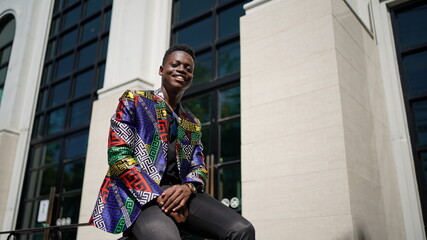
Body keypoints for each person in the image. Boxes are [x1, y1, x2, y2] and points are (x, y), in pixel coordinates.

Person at [89, 44, 255, 239]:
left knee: (242, 230)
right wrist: (159, 197)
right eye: (175, 64)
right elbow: (119, 157)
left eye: (188, 68)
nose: (182, 70)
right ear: (161, 70)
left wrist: (188, 188)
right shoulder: (134, 101)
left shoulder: (192, 122)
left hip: (182, 195)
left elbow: (199, 167)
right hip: (141, 197)